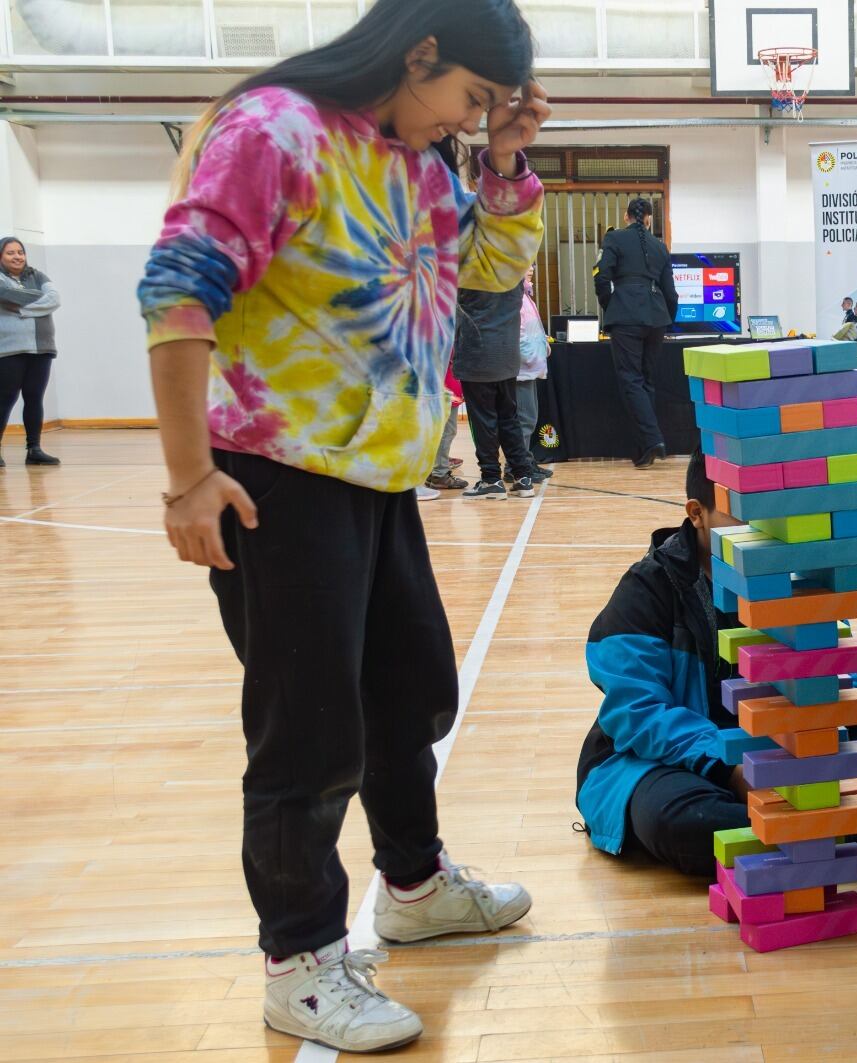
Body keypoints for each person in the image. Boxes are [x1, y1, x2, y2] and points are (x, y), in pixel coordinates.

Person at [136, 0, 549, 1050]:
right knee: (306, 727)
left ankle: (412, 884)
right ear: (418, 54)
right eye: (469, 96)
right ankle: (302, 955)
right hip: (275, 473)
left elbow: (489, 278)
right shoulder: (274, 128)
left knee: (408, 691)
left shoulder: (414, 164)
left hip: (378, 474)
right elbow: (178, 287)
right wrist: (188, 478)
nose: (468, 117)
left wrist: (500, 163)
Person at [575, 451, 857, 916]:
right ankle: (849, 838)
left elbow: (842, 652)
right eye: (739, 514)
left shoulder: (789, 573)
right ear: (696, 514)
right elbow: (637, 712)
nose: (759, 530)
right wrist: (727, 765)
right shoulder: (647, 590)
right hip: (681, 763)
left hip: (785, 744)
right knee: (678, 818)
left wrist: (841, 708)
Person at [595, 196, 677, 469]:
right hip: (656, 319)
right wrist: (667, 320)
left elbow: (601, 277)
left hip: (626, 317)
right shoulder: (660, 247)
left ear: (626, 216)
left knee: (631, 381)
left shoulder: (614, 239)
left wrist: (612, 306)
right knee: (646, 382)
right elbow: (671, 293)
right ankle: (644, 449)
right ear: (649, 218)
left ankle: (653, 439)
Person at [455, 253, 541, 500]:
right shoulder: (513, 272)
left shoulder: (469, 273)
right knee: (509, 417)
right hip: (507, 354)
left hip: (478, 355)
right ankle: (523, 477)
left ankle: (491, 478)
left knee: (483, 420)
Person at [0, 237, 62, 467]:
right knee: (5, 399)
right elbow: (8, 295)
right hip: (10, 349)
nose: (17, 256)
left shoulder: (37, 276)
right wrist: (38, 300)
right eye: (10, 253)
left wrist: (22, 309)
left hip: (41, 347)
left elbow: (54, 298)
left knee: (34, 398)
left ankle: (34, 449)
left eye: (20, 252)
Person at [514, 277, 553, 477]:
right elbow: (518, 334)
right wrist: (530, 354)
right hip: (523, 368)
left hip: (531, 367)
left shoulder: (526, 296)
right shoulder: (516, 297)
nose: (531, 269)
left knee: (530, 417)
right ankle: (516, 468)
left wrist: (542, 343)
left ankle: (525, 461)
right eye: (527, 265)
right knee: (524, 419)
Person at [423, 358, 468, 493]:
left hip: (445, 390)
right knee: (447, 432)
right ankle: (440, 474)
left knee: (441, 432)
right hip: (446, 392)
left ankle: (436, 470)